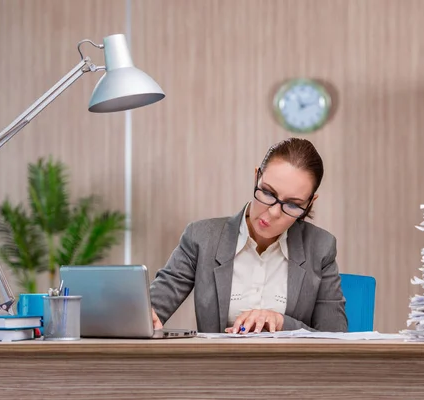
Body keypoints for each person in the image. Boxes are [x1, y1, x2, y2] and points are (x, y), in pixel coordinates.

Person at [149, 137, 348, 334]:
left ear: (310, 203)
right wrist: (142, 315)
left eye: (293, 205)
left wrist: (281, 323)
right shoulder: (201, 238)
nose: (273, 213)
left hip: (288, 367)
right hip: (219, 365)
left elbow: (335, 337)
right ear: (257, 177)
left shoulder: (321, 247)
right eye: (268, 193)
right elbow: (149, 310)